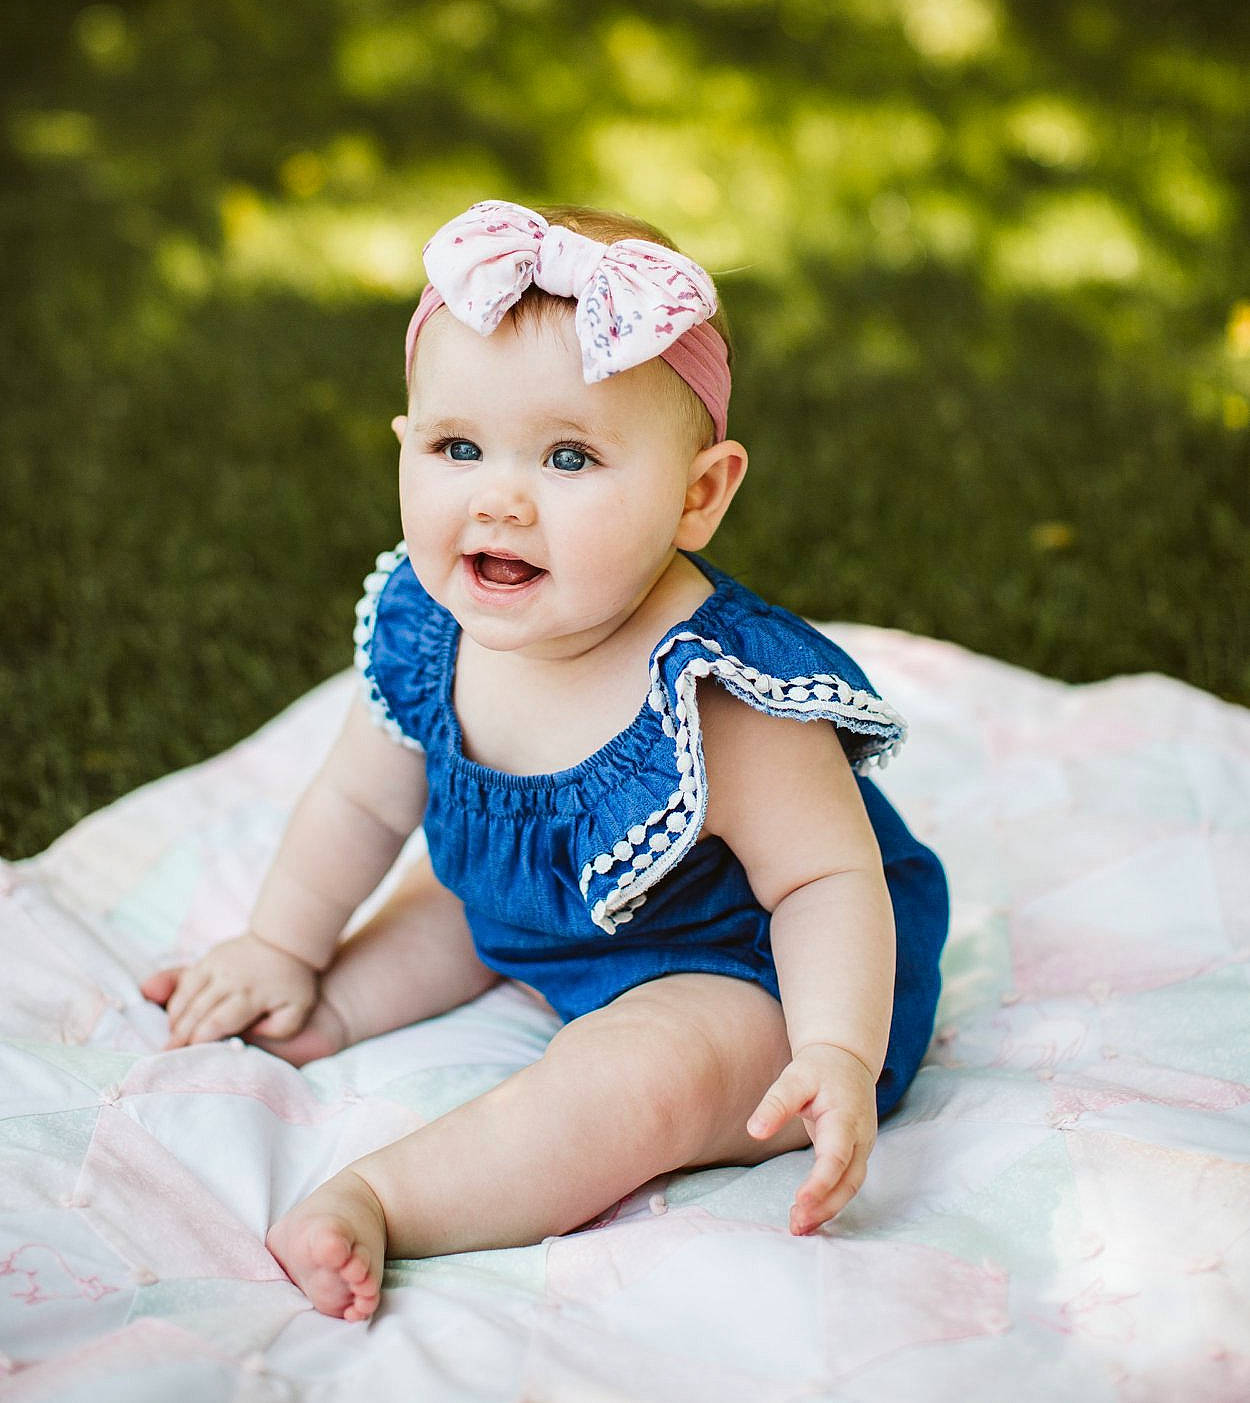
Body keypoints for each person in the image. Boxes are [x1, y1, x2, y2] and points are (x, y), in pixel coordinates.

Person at [141, 199, 949, 1323]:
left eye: (568, 456)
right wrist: (283, 940)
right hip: (548, 913)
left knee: (642, 1080)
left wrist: (836, 1049)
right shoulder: (432, 632)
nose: (499, 496)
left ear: (698, 494)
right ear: (405, 447)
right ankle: (312, 1012)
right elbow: (358, 806)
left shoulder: (719, 694)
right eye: (456, 448)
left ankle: (386, 1196)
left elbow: (824, 882)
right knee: (442, 898)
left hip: (745, 964)